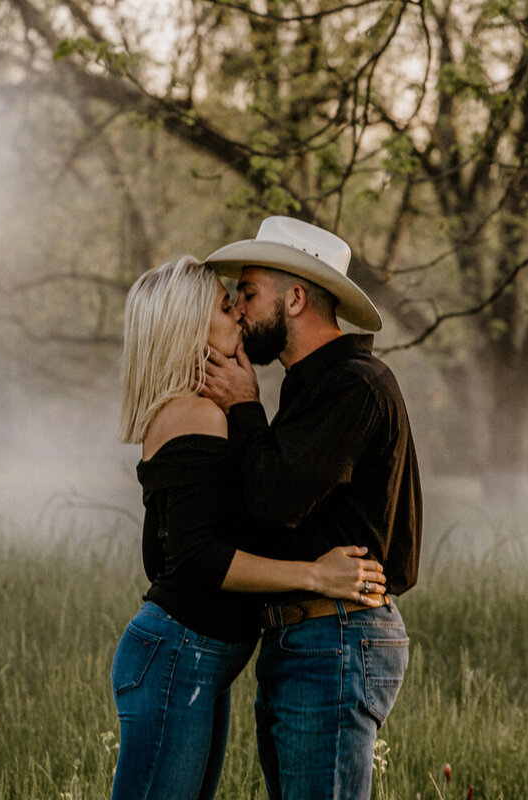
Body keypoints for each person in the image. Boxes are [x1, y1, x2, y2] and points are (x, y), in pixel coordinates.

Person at [111, 255, 390, 800]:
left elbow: (164, 550)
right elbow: (193, 558)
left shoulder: (210, 409)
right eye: (224, 305)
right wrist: (314, 576)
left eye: (239, 299)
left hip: (191, 661)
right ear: (190, 326)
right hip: (179, 657)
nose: (239, 313)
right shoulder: (196, 413)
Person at [201, 217, 422, 800]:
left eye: (248, 293)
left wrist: (245, 408)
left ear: (295, 298)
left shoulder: (354, 385)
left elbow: (277, 502)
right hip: (311, 639)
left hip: (337, 638)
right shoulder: (309, 387)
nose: (237, 307)